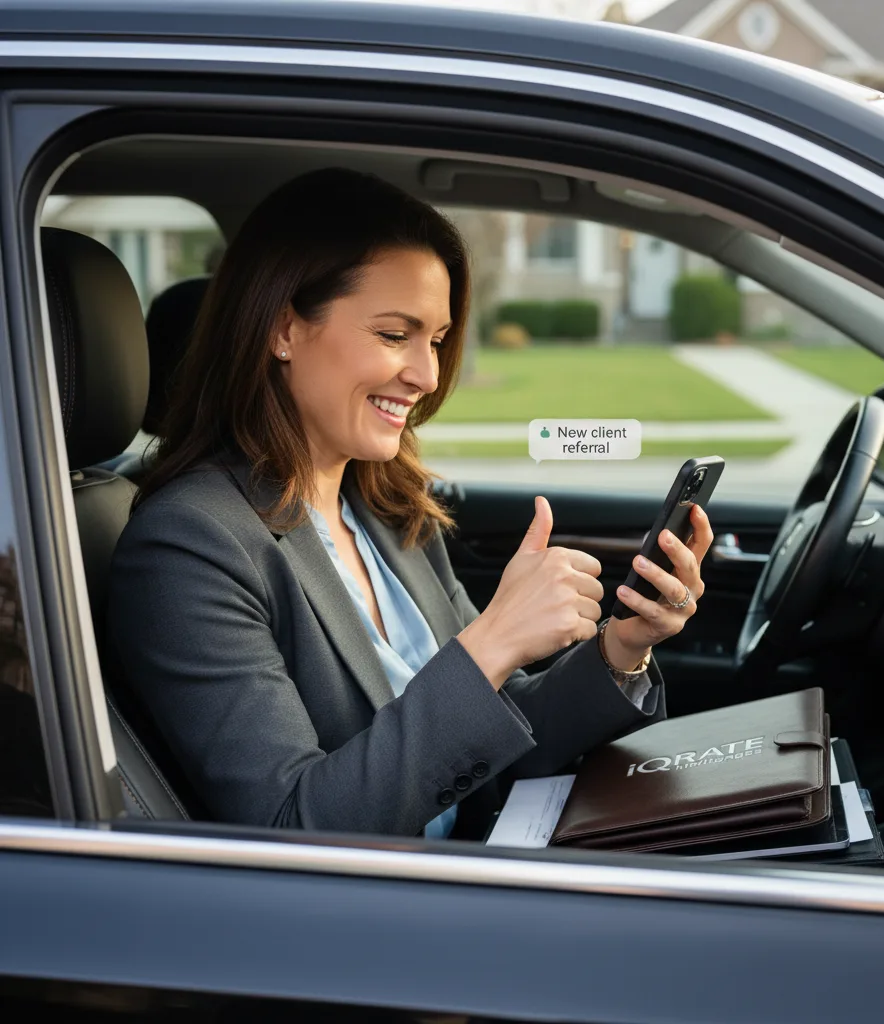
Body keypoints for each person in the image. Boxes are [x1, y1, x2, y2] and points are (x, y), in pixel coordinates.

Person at [106, 168, 713, 840]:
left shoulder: (388, 511)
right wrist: (493, 642)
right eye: (395, 335)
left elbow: (495, 738)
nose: (426, 375)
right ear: (283, 330)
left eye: (436, 341)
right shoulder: (189, 545)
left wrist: (623, 647)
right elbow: (294, 827)